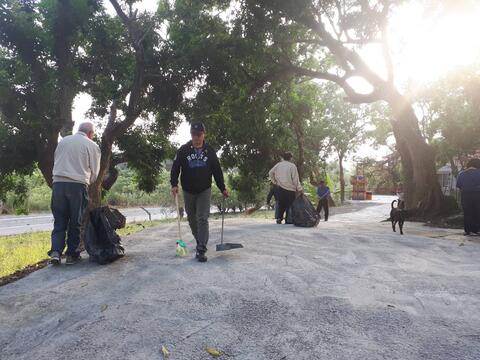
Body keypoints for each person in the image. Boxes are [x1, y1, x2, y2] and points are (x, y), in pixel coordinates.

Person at [170, 122, 228, 262]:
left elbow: (217, 171)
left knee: (202, 217)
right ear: (191, 135)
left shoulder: (210, 151)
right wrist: (174, 184)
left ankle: (201, 249)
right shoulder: (183, 150)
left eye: (199, 134)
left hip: (204, 189)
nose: (196, 137)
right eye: (193, 134)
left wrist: (222, 187)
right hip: (188, 190)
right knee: (192, 219)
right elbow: (175, 168)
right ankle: (199, 241)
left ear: (204, 134)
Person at [49, 122, 101, 265]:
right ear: (90, 133)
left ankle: (55, 252)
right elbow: (95, 173)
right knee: (75, 221)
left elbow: (56, 161)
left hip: (58, 184)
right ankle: (72, 255)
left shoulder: (63, 141)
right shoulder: (92, 145)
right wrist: (86, 181)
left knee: (59, 220)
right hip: (77, 186)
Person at [268, 152, 302, 224]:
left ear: (283, 157)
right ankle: (288, 219)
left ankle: (279, 218)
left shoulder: (278, 165)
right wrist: (299, 189)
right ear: (291, 158)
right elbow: (295, 178)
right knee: (290, 204)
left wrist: (275, 182)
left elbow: (270, 173)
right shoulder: (292, 166)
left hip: (280, 188)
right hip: (290, 189)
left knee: (281, 204)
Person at [456, 158, 480, 236]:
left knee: (467, 212)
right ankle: (476, 230)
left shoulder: (461, 174)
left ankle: (467, 230)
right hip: (478, 194)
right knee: (477, 212)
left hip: (465, 195)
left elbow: (459, 185)